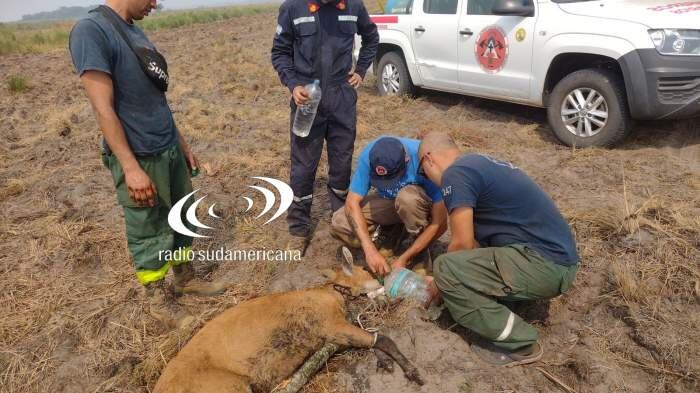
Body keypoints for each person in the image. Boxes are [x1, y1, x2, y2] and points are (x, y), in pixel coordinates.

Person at [69, 0, 225, 327]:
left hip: (167, 146)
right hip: (139, 154)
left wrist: (181, 143)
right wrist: (130, 167)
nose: (156, 3)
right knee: (148, 227)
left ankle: (185, 276)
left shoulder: (134, 32)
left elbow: (157, 98)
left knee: (182, 214)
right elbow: (103, 109)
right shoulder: (91, 31)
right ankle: (156, 296)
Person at [418, 132, 579, 366]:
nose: (429, 179)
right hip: (557, 261)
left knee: (445, 267)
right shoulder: (478, 164)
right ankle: (512, 303)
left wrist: (440, 283)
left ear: (429, 159)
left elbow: (462, 244)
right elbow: (474, 244)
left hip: (545, 265)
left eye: (424, 173)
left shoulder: (456, 173)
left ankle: (521, 344)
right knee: (464, 261)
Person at [271, 0, 379, 251]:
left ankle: (340, 220)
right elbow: (280, 52)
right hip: (308, 96)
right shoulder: (293, 8)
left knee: (341, 162)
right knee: (303, 165)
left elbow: (371, 36)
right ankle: (298, 228)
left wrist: (361, 70)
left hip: (342, 96)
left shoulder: (353, 6)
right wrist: (293, 84)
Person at [331, 136, 448, 276]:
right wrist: (370, 250)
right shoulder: (370, 156)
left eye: (392, 178)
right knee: (340, 222)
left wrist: (407, 256)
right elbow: (351, 203)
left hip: (416, 205)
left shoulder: (424, 160)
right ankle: (393, 232)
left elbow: (440, 224)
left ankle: (420, 250)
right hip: (390, 203)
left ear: (406, 160)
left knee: (407, 198)